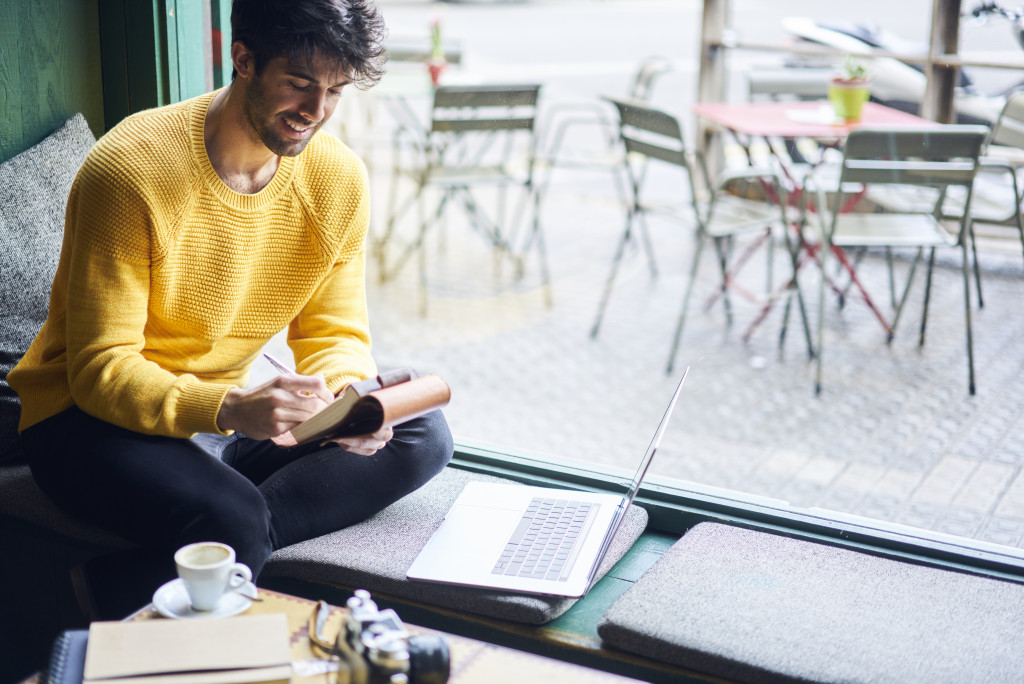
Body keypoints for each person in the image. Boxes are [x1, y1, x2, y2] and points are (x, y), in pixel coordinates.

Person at [8, 0, 453, 618]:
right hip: (85, 423)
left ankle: (181, 561)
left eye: (335, 91)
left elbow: (335, 331)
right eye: (298, 84)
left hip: (217, 418)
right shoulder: (131, 170)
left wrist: (351, 402)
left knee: (421, 431)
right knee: (232, 518)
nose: (315, 113)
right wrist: (228, 407)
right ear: (243, 60)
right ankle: (152, 572)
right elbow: (100, 370)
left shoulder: (338, 179)